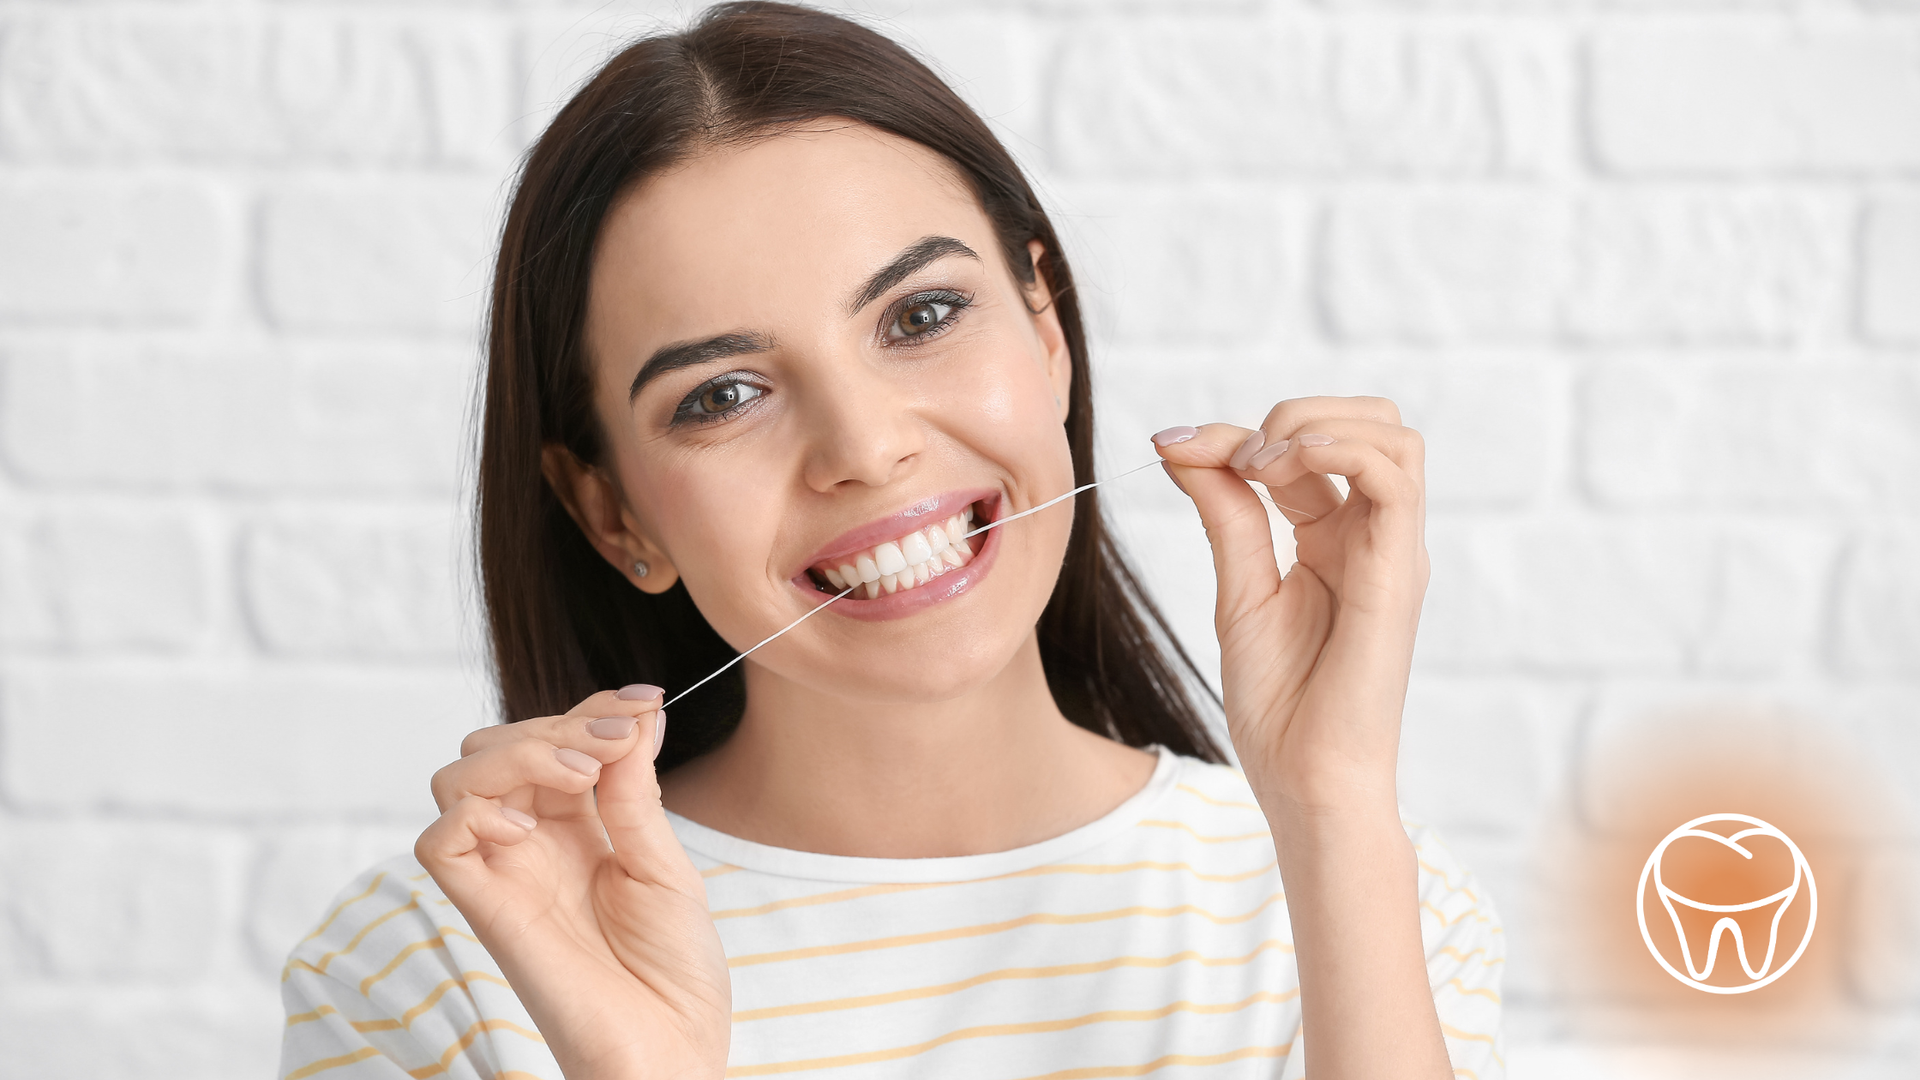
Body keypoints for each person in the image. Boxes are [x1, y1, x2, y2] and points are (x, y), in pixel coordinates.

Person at [279, 4, 1504, 1078]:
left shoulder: (1366, 903)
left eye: (923, 314)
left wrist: (1335, 808)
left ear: (1049, 331)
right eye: (722, 395)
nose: (863, 448)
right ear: (614, 513)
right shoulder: (434, 968)